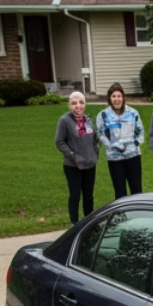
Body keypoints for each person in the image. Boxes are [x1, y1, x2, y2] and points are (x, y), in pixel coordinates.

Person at [54, 90, 99, 224]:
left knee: (88, 196)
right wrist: (72, 155)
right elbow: (59, 141)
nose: (78, 106)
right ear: (69, 105)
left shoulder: (88, 120)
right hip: (73, 166)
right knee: (75, 196)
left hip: (89, 164)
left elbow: (94, 139)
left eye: (81, 102)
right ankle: (74, 224)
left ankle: (88, 222)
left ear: (85, 104)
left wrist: (95, 153)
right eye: (74, 103)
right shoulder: (65, 121)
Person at [97, 82, 144, 198]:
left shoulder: (133, 113)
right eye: (114, 96)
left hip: (133, 157)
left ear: (123, 98)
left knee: (137, 190)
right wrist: (113, 146)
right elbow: (101, 134)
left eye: (119, 96)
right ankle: (123, 215)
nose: (116, 99)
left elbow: (140, 132)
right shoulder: (103, 115)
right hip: (115, 159)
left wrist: (133, 145)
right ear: (109, 98)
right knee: (120, 192)